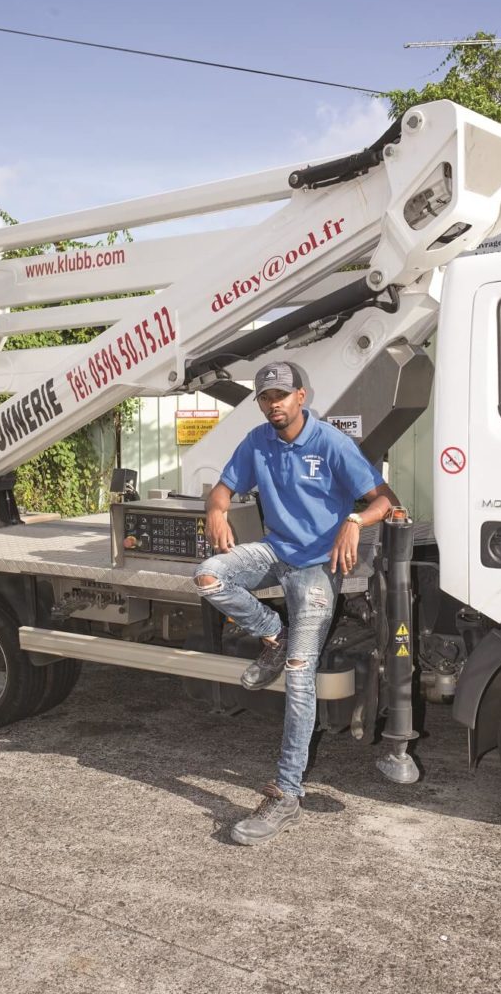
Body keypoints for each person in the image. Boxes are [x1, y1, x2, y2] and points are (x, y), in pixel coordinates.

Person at [193, 361, 395, 846]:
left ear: (301, 395)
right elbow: (222, 490)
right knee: (208, 575)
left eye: (282, 395)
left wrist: (354, 521)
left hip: (317, 569)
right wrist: (217, 511)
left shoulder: (330, 443)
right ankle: (274, 634)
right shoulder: (258, 441)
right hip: (276, 551)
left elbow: (384, 500)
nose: (274, 404)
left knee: (300, 676)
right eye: (266, 397)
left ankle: (286, 794)